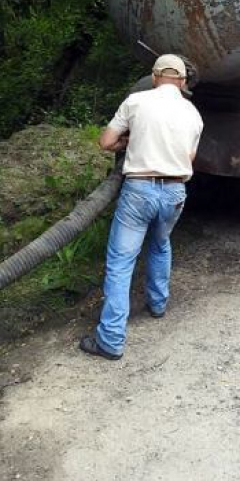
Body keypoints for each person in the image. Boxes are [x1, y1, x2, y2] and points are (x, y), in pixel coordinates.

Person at [79, 54, 203, 360]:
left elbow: (106, 141)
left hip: (139, 190)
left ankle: (110, 340)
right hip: (175, 191)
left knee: (121, 262)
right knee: (161, 245)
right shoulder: (193, 113)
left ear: (155, 76)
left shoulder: (136, 102)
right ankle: (158, 303)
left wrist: (127, 144)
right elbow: (188, 160)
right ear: (183, 81)